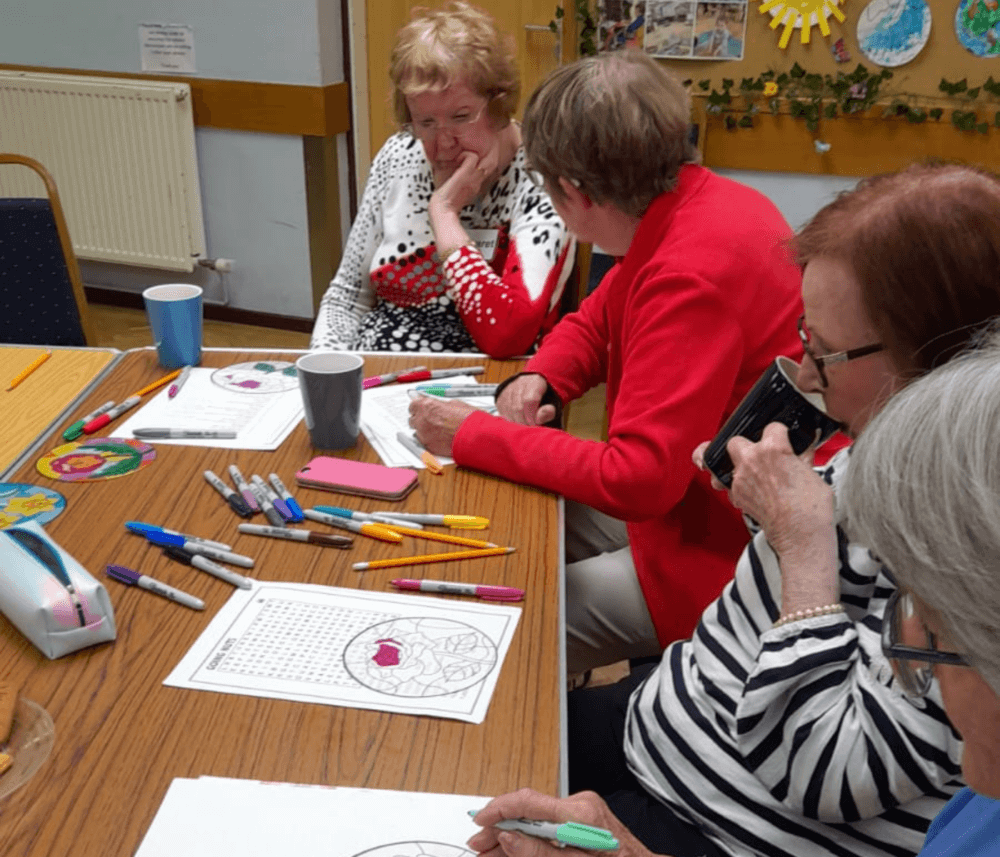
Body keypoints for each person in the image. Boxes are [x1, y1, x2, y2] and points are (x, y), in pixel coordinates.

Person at [464, 161, 1000, 857]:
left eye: (824, 351)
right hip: (665, 729)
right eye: (804, 338)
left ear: (937, 364)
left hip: (720, 825)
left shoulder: (963, 555)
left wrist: (800, 541)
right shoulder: (878, 437)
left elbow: (825, 774)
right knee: (467, 739)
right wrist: (774, 512)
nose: (803, 373)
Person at [410, 50, 804, 673]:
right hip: (692, 507)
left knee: (503, 625)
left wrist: (472, 433)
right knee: (483, 533)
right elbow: (600, 316)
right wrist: (544, 374)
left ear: (574, 191)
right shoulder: (702, 202)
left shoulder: (689, 274)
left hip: (716, 555)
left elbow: (639, 479)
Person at [310, 2, 575, 358]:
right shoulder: (400, 156)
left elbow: (508, 334)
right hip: (378, 377)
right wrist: (326, 377)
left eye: (461, 116)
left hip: (483, 385)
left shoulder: (542, 179)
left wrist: (445, 213)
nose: (443, 143)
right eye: (426, 123)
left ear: (499, 103)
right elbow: (347, 295)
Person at [842, 332, 1000, 856]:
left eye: (931, 617)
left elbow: (831, 772)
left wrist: (799, 551)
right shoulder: (986, 797)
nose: (907, 633)